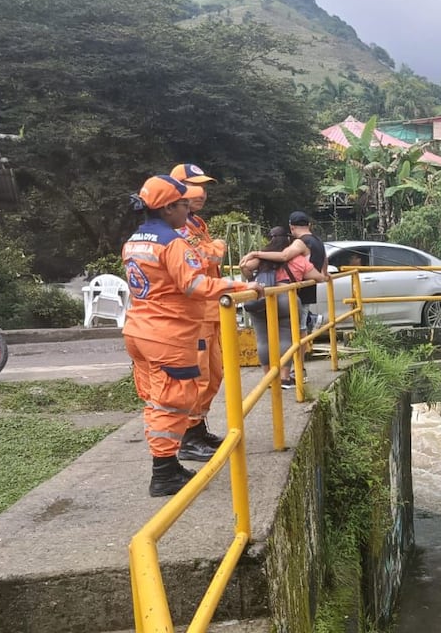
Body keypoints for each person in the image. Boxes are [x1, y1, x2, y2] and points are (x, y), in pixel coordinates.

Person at [122, 175, 262, 497]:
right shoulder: (172, 243)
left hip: (139, 330)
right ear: (169, 207)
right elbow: (195, 286)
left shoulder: (134, 240)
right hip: (167, 334)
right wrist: (242, 287)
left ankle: (167, 466)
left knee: (156, 401)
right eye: (184, 204)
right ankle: (164, 473)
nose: (188, 209)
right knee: (171, 403)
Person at [170, 163, 227, 461]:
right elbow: (207, 256)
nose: (202, 193)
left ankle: (199, 427)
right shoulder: (176, 227)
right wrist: (217, 246)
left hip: (211, 310)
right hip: (194, 314)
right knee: (199, 376)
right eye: (194, 186)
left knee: (215, 374)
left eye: (204, 186)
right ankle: (188, 438)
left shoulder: (197, 223)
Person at [239, 227, 327, 388]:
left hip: (262, 297)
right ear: (289, 240)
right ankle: (284, 377)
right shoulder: (297, 259)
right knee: (286, 337)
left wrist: (252, 276)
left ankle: (268, 378)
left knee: (263, 339)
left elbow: (245, 267)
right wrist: (323, 271)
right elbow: (319, 278)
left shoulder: (263, 257)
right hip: (286, 297)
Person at [247, 211, 326, 332]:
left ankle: (299, 351)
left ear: (291, 226)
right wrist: (324, 274)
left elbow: (284, 256)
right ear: (309, 225)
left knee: (298, 330)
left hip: (298, 291)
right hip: (310, 289)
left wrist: (257, 253)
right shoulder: (318, 241)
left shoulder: (301, 242)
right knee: (301, 328)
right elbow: (325, 259)